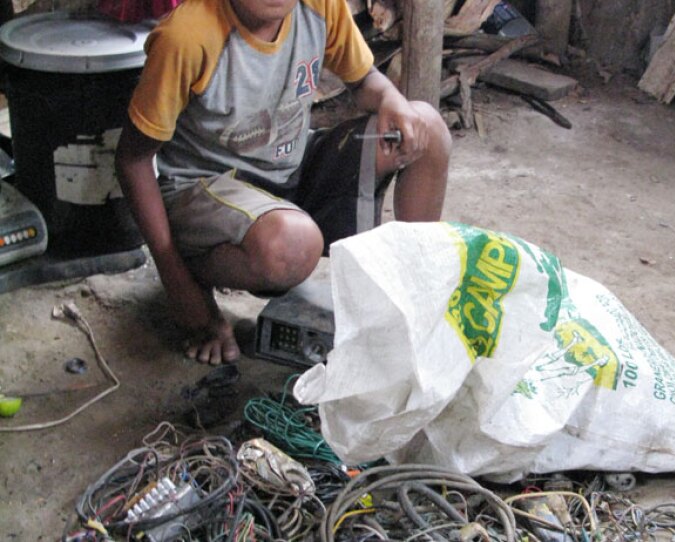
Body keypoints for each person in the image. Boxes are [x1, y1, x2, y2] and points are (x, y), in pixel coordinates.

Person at [115, 0, 451, 365]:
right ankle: (195, 270)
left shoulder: (319, 6)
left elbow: (364, 79)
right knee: (291, 244)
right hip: (206, 190)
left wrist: (390, 98)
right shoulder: (186, 38)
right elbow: (132, 160)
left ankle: (415, 305)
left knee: (426, 127)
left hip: (288, 169)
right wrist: (179, 286)